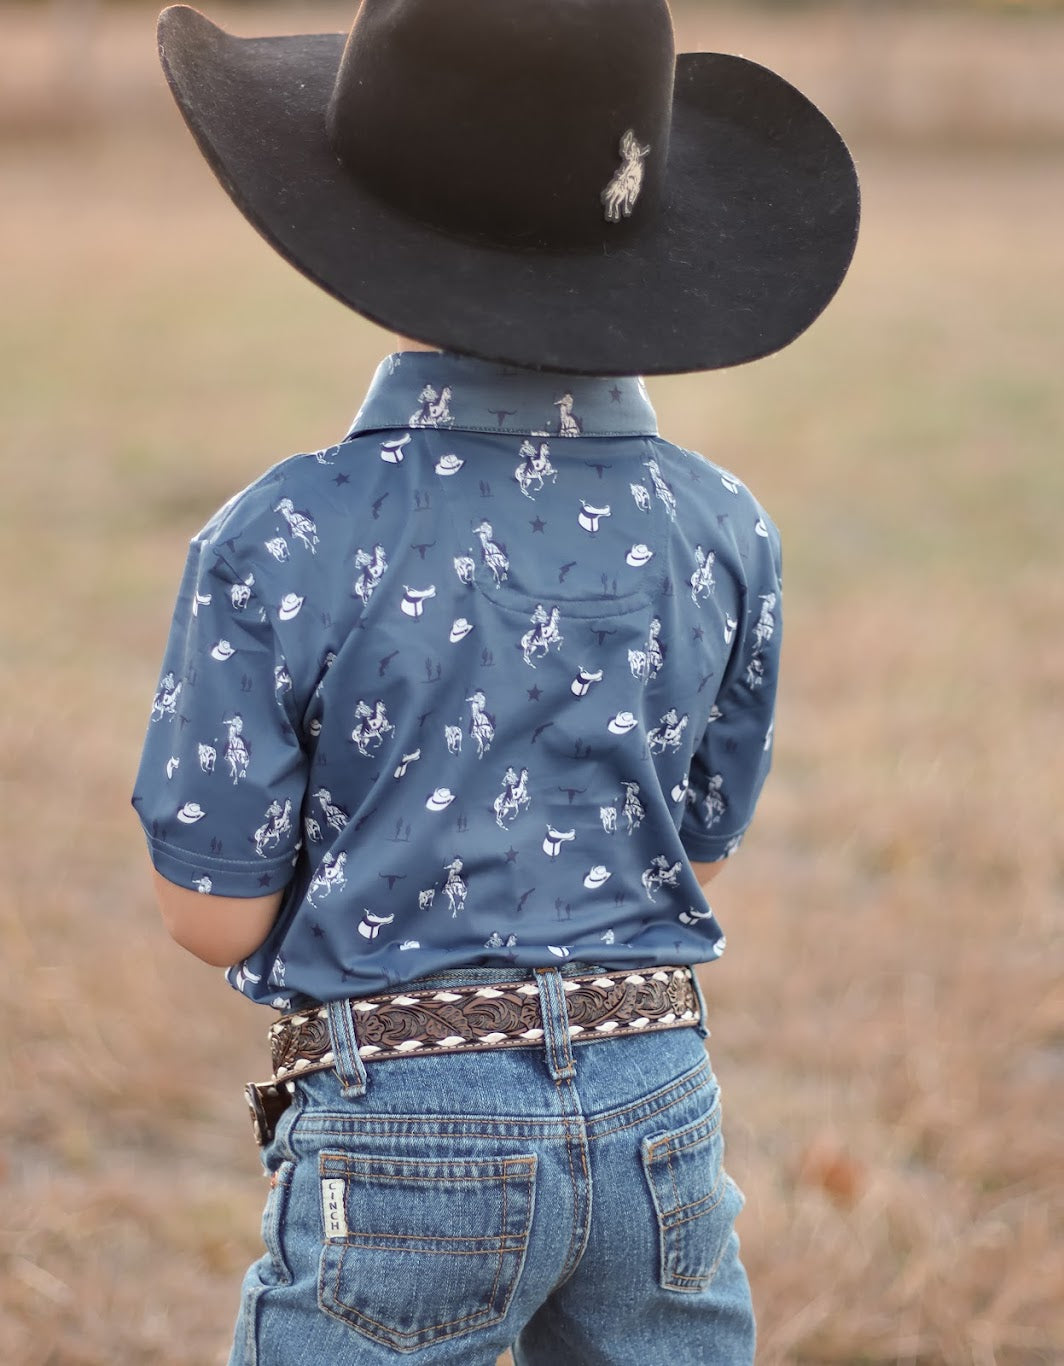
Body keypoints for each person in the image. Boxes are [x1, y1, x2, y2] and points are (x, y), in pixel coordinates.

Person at [133, 2, 859, 1362]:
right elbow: (698, 825)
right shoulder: (723, 524)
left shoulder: (277, 537)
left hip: (401, 1113)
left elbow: (212, 918)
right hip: (662, 1102)